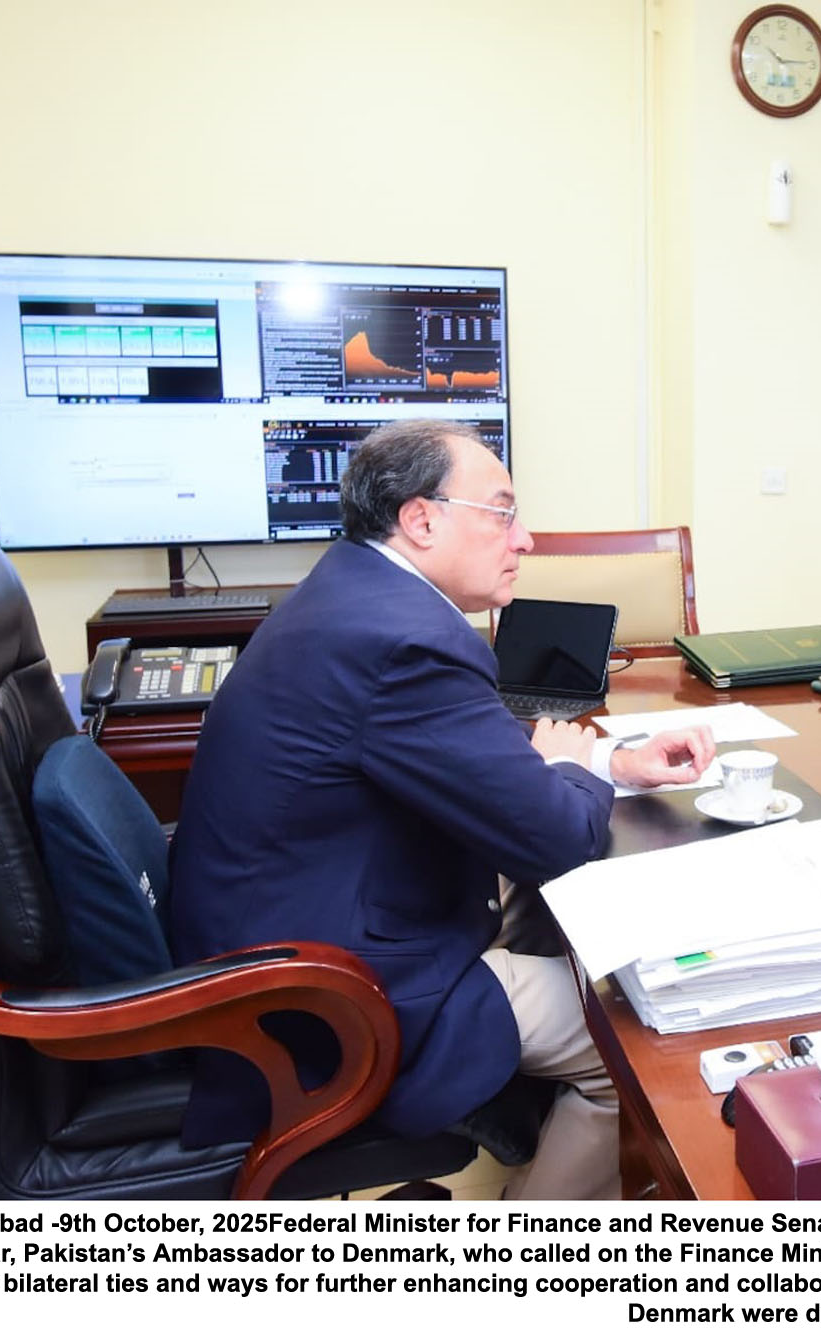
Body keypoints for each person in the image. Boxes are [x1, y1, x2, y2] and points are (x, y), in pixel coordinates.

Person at [167, 418, 715, 1200]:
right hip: (332, 997)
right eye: (503, 513)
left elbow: (454, 742)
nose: (525, 539)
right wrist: (570, 770)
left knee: (558, 928)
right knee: (635, 1031)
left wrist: (609, 762)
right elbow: (558, 838)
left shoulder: (356, 593)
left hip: (282, 935)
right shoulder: (405, 640)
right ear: (421, 520)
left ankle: (529, 1141)